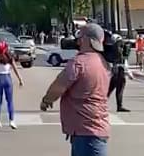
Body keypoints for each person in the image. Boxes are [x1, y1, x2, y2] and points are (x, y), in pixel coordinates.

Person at [40, 23, 110, 156]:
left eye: (80, 37)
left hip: (85, 131)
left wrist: (46, 100)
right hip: (98, 127)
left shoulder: (79, 63)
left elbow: (59, 86)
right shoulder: (102, 62)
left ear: (86, 40)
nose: (77, 41)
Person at [0, 41, 24, 129]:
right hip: (7, 78)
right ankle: (11, 120)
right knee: (9, 101)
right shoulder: (9, 57)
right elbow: (15, 69)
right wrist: (20, 79)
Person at [108, 34, 133, 113]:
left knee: (109, 89)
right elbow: (124, 61)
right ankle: (119, 106)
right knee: (119, 89)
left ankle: (101, 104)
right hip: (120, 70)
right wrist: (129, 73)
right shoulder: (119, 50)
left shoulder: (111, 49)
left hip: (115, 70)